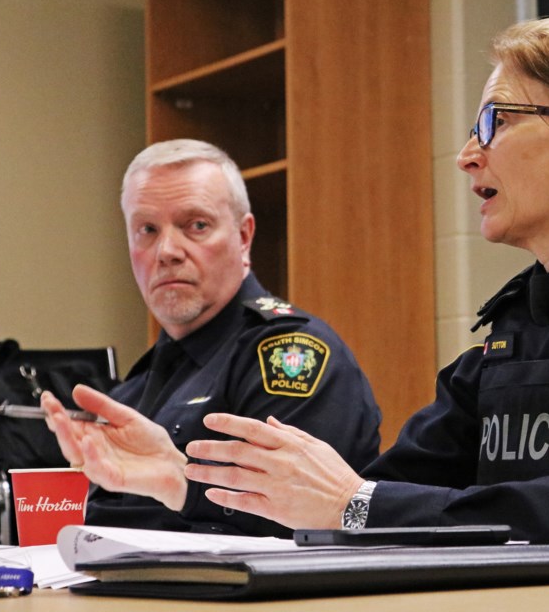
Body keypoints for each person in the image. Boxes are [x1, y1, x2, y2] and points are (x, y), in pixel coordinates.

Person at [44, 19, 549, 575]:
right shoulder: (525, 321)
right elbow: (379, 493)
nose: (466, 154)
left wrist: (359, 506)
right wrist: (177, 477)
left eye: (495, 121)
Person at [41, 139, 381, 537]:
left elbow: (283, 525)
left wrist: (179, 482)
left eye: (196, 225)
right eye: (147, 230)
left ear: (243, 237)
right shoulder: (136, 386)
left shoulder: (290, 354)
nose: (166, 250)